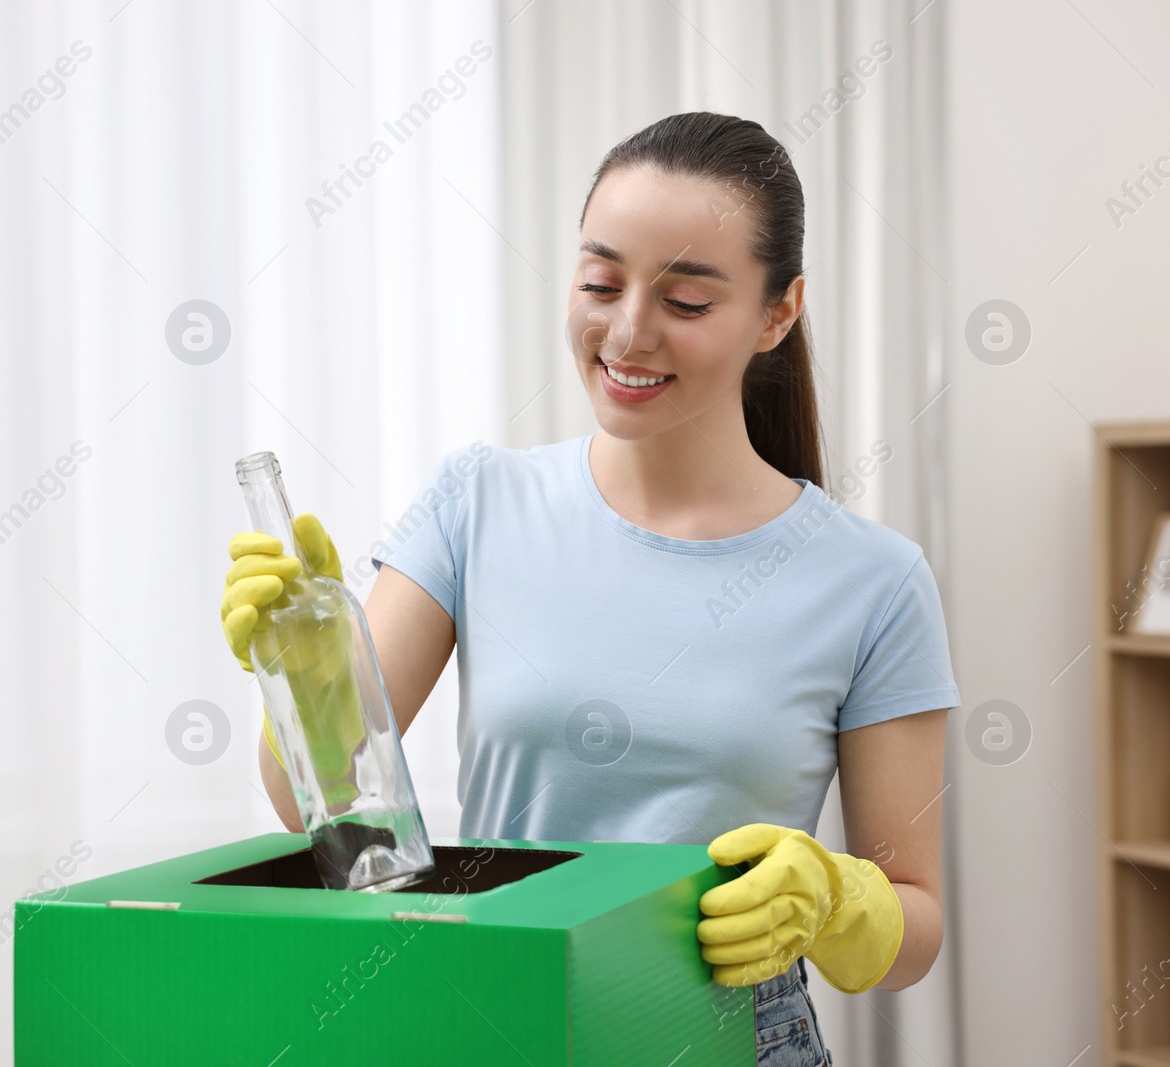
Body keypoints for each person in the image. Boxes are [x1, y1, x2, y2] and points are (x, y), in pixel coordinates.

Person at [220, 112, 959, 1067]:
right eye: (601, 282)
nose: (628, 331)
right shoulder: (477, 501)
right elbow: (304, 803)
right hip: (497, 1016)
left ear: (778, 313)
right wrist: (315, 670)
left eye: (687, 301)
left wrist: (838, 900)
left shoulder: (875, 580)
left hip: (736, 1035)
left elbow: (916, 924)